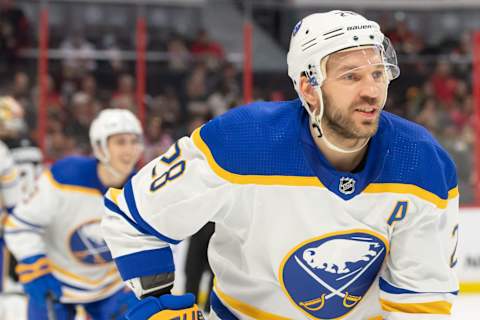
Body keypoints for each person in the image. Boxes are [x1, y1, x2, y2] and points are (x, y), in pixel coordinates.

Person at [102, 10, 459, 320]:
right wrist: (158, 301)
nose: (372, 91)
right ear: (308, 87)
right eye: (351, 76)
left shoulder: (422, 162)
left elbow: (421, 299)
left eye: (377, 74)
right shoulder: (240, 141)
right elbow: (132, 216)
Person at [5, 109, 144, 319]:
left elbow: (150, 241)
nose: (129, 150)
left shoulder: (141, 189)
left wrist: (140, 278)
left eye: (134, 141)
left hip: (111, 290)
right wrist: (33, 262)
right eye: (120, 142)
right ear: (99, 147)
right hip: (56, 282)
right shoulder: (65, 177)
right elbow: (20, 224)